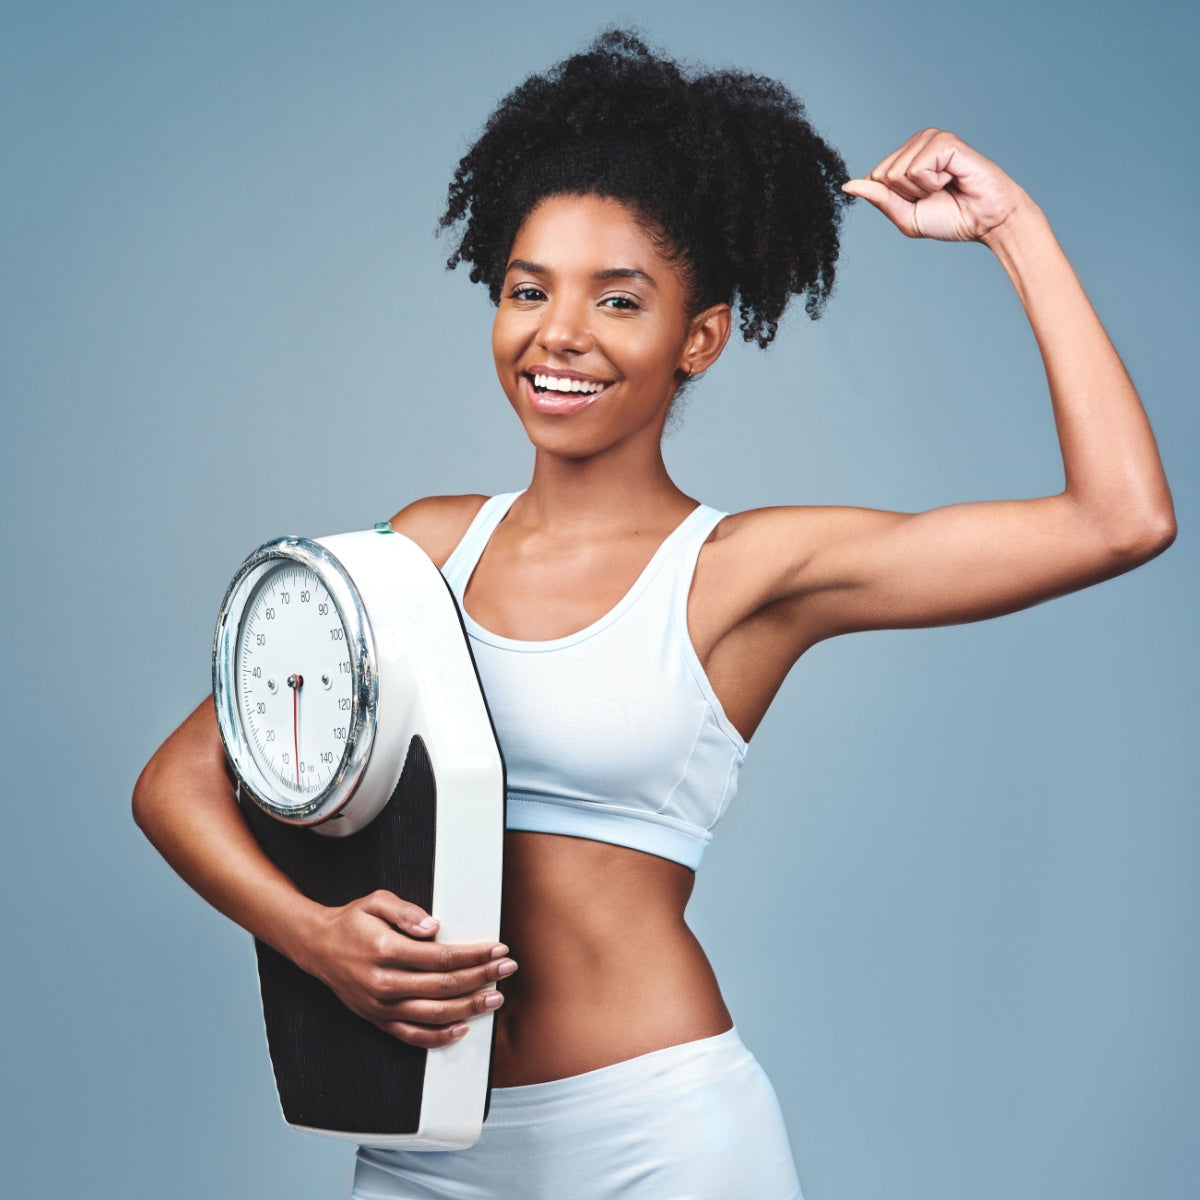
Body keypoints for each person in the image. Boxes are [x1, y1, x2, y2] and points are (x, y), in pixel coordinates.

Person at [132, 28, 1175, 1200]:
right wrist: (314, 941)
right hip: (423, 1141)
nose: (558, 334)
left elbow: (1120, 519)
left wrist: (1012, 228)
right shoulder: (424, 546)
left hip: (657, 1141)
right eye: (528, 290)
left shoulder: (742, 572)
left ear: (700, 338)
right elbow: (175, 783)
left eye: (616, 300)